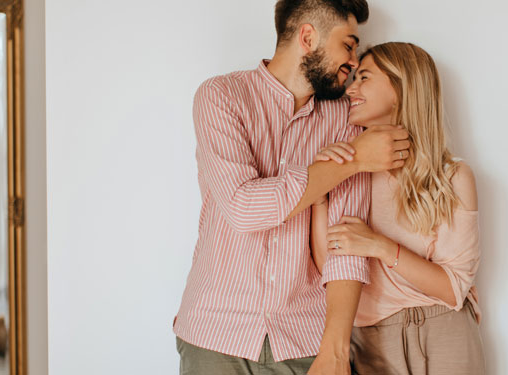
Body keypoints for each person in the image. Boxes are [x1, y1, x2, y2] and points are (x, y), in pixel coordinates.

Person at [173, 2, 412, 374]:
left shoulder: (345, 120)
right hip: (214, 335)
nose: (353, 60)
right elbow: (244, 207)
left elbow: (345, 246)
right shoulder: (221, 96)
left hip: (305, 342)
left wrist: (334, 350)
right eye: (348, 45)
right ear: (307, 36)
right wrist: (353, 161)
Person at [311, 42, 486, 374]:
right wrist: (321, 191)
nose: (351, 90)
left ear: (401, 89)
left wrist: (377, 244)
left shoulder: (452, 177)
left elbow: (452, 288)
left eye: (364, 78)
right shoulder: (348, 170)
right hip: (373, 340)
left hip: (444, 330)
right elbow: (328, 264)